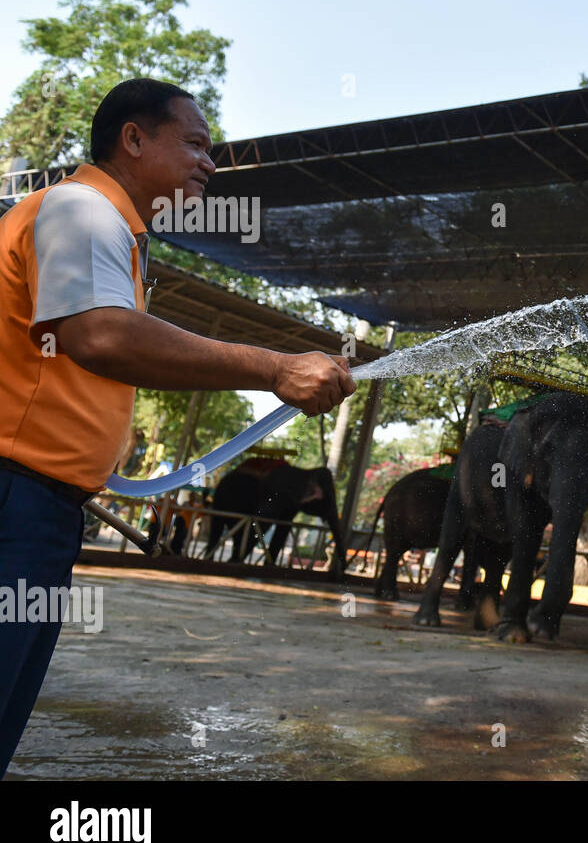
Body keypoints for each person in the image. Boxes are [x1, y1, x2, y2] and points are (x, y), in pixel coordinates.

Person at [0, 78, 356, 776]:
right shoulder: (83, 208)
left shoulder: (98, 223)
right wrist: (274, 367)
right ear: (133, 140)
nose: (211, 164)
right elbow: (102, 335)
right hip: (14, 505)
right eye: (195, 143)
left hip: (38, 508)